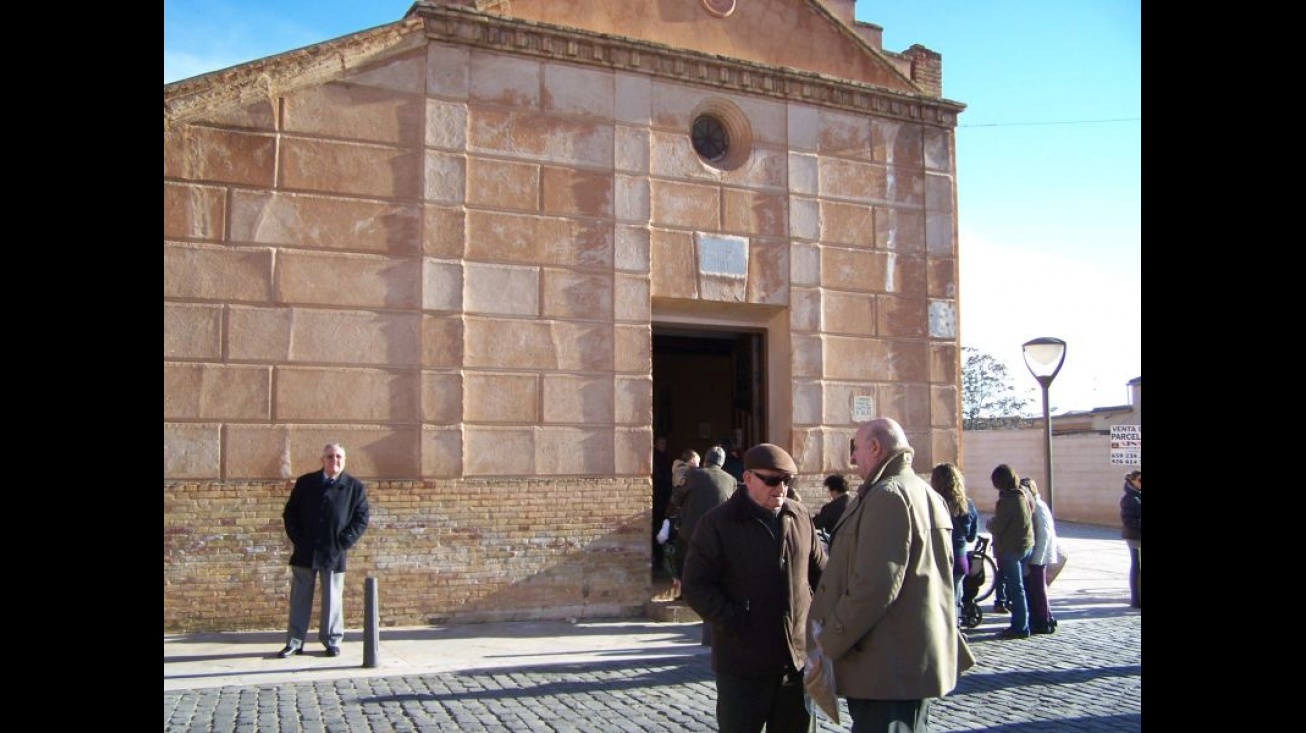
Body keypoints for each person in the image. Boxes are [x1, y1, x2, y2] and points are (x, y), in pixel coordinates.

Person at [808, 419, 972, 733]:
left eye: (856, 448)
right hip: (903, 660)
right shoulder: (924, 493)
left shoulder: (888, 496)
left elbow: (874, 587)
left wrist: (828, 641)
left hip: (887, 665)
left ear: (875, 447)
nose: (853, 458)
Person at [681, 443, 827, 733]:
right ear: (748, 479)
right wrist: (736, 620)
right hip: (743, 665)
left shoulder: (799, 516)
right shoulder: (718, 523)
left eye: (786, 481)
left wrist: (818, 627)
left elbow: (823, 574)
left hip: (795, 664)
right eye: (772, 480)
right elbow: (695, 586)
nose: (780, 488)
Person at [277, 443, 370, 658]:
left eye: (338, 457)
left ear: (344, 460)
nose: (334, 460)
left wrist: (345, 541)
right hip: (305, 549)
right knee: (300, 597)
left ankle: (331, 641)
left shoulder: (354, 487)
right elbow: (290, 514)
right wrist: (298, 539)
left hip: (333, 551)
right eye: (330, 456)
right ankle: (294, 641)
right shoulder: (306, 483)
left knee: (332, 598)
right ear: (322, 460)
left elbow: (361, 518)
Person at [668, 445, 736, 600]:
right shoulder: (731, 480)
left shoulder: (694, 475)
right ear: (722, 462)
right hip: (718, 531)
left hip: (691, 529)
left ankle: (685, 592)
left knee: (682, 557)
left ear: (706, 460)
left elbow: (677, 497)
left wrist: (670, 514)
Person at [988, 463, 1034, 639]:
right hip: (1025, 545)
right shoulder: (1023, 494)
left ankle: (1020, 626)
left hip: (1012, 548)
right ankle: (1023, 622)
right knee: (1020, 588)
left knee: (1016, 589)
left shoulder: (1008, 500)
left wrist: (989, 524)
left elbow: (998, 525)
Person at [930, 462, 978, 625]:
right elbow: (971, 536)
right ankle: (956, 633)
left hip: (938, 558)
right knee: (956, 599)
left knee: (938, 602)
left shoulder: (934, 503)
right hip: (960, 558)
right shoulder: (968, 505)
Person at [1021, 477, 1059, 634]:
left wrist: (1036, 558)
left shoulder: (1038, 507)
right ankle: (1044, 617)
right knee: (1036, 588)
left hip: (1039, 556)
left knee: (1038, 588)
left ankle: (1043, 620)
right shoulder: (1035, 505)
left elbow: (1043, 535)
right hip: (1038, 555)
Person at [652, 436, 674, 571]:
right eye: (661, 443)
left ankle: (660, 554)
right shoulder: (656, 458)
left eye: (665, 442)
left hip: (664, 498)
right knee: (657, 526)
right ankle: (658, 554)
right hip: (659, 498)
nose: (663, 445)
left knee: (661, 526)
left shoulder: (665, 457)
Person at [1120, 469, 1142, 609]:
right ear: (1132, 481)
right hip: (1134, 536)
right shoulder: (1128, 498)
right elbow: (1127, 520)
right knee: (1137, 566)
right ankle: (1136, 599)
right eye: (1140, 480)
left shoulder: (1138, 495)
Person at [812, 473, 851, 542]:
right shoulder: (858, 502)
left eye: (829, 491)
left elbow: (815, 524)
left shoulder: (831, 508)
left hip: (838, 546)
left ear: (834, 491)